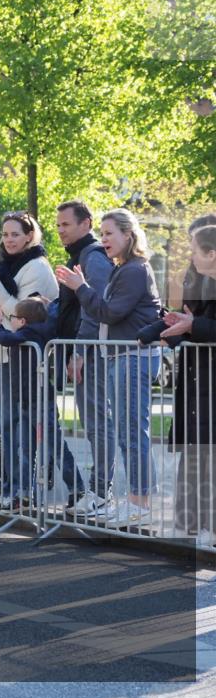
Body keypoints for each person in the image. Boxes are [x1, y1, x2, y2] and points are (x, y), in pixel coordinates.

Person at [56, 209, 162, 526]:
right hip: (120, 356)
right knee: (129, 433)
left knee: (132, 434)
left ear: (128, 235)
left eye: (109, 233)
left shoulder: (134, 270)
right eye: (101, 233)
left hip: (133, 357)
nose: (104, 240)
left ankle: (140, 505)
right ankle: (137, 502)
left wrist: (81, 287)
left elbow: (110, 312)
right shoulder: (123, 268)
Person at [0, 212, 59, 511]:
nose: (8, 239)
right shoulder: (4, 266)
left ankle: (27, 490)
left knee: (30, 427)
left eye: (15, 234)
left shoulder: (37, 267)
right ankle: (13, 488)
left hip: (26, 355)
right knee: (10, 425)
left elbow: (20, 315)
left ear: (29, 236)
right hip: (3, 353)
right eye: (5, 234)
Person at [54, 200, 115, 515]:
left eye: (66, 224)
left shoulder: (92, 257)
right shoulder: (81, 256)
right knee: (93, 423)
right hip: (84, 352)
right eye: (58, 225)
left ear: (86, 224)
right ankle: (98, 492)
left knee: (96, 423)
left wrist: (79, 350)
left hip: (92, 353)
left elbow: (98, 307)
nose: (61, 230)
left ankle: (101, 493)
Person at [160, 221, 216, 546]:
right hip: (198, 381)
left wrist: (193, 325)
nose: (191, 257)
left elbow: (201, 326)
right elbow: (190, 325)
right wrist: (170, 331)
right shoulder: (201, 284)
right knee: (196, 450)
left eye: (195, 251)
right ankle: (192, 523)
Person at [0, 297, 56, 509]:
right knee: (26, 449)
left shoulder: (28, 334)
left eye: (13, 318)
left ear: (23, 321)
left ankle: (74, 487)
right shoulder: (35, 331)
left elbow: (5, 338)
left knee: (49, 446)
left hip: (35, 400)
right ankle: (25, 494)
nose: (12, 321)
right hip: (26, 400)